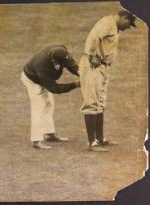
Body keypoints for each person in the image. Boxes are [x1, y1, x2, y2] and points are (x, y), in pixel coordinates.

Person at [79, 9, 136, 152]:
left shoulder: (114, 26)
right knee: (92, 102)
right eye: (128, 24)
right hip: (93, 66)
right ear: (123, 17)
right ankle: (92, 143)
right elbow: (93, 37)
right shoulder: (108, 22)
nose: (128, 27)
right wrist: (91, 56)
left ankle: (100, 139)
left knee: (100, 103)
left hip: (103, 67)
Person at [21, 44, 80, 149]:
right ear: (54, 61)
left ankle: (49, 134)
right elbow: (54, 88)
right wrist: (75, 84)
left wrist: (82, 74)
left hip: (42, 78)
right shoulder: (43, 67)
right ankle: (37, 140)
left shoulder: (62, 50)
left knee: (49, 103)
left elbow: (71, 65)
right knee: (39, 107)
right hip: (32, 80)